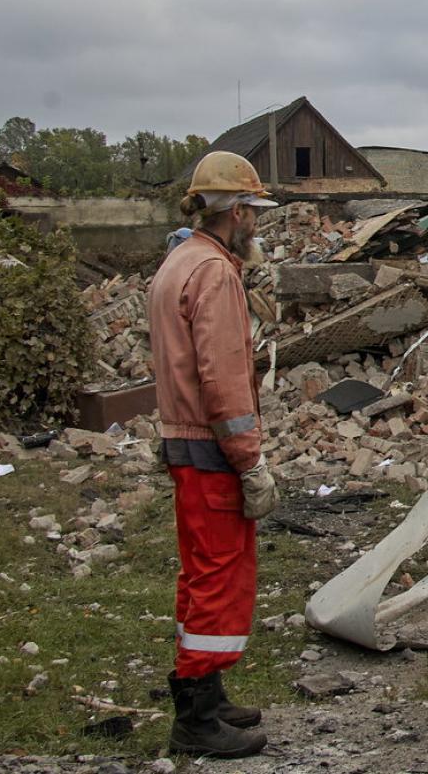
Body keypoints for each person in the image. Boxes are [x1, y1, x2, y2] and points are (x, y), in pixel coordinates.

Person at [148, 151, 280, 757]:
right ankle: (196, 719)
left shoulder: (178, 261)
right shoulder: (217, 274)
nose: (257, 221)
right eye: (253, 208)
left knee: (198, 570)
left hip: (183, 438)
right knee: (218, 574)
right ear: (236, 210)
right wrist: (249, 459)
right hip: (209, 448)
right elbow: (224, 380)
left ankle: (207, 692)